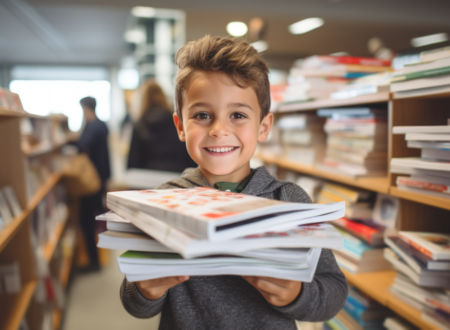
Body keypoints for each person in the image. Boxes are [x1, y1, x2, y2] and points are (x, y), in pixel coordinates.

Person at [120, 35, 347, 329]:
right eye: (202, 115)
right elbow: (133, 301)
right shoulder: (164, 201)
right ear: (180, 127)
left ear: (263, 127)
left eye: (237, 115)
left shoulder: (289, 200)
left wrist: (297, 295)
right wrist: (144, 290)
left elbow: (333, 290)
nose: (218, 130)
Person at [126, 79, 195, 172]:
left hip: (147, 178)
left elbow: (133, 162)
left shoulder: (139, 125)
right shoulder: (177, 121)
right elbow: (188, 154)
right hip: (177, 175)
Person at [77, 96, 111, 271]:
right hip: (101, 177)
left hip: (92, 180)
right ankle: (96, 258)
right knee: (95, 215)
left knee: (87, 220)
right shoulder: (102, 124)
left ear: (85, 108)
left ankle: (94, 261)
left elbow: (82, 144)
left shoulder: (92, 125)